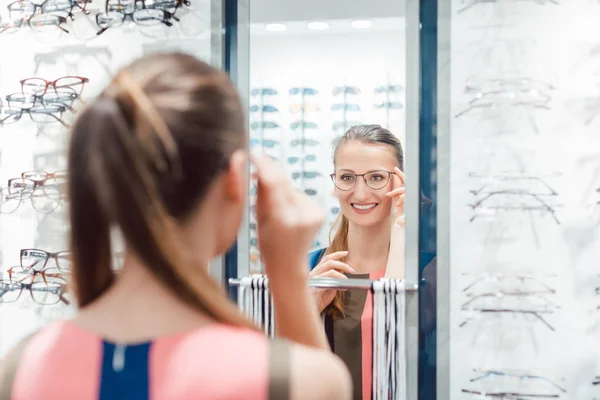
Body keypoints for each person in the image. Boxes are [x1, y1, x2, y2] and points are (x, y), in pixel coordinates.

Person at [0, 52, 352, 400]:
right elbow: (314, 380)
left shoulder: (21, 367)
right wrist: (288, 279)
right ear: (236, 177)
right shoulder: (296, 378)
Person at [308, 124, 406, 400]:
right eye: (347, 177)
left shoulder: (427, 272)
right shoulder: (312, 268)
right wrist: (307, 308)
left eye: (376, 177)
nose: (360, 194)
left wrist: (400, 228)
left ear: (399, 183)